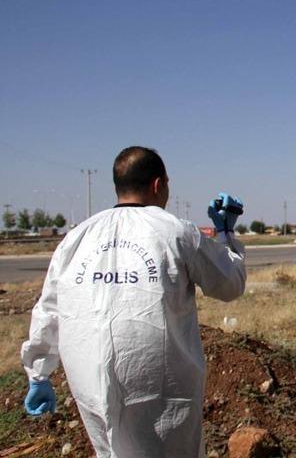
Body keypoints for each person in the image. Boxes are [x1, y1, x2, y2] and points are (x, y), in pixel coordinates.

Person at [20, 146, 246, 457]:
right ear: (158, 184)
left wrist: (39, 373)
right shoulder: (175, 232)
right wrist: (225, 232)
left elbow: (49, 309)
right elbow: (229, 284)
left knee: (110, 449)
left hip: (89, 380)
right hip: (161, 386)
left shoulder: (76, 238)